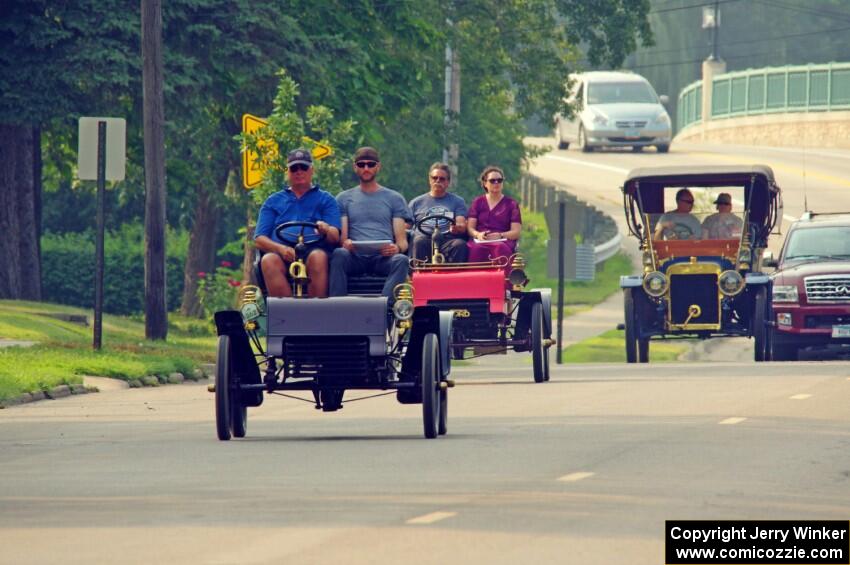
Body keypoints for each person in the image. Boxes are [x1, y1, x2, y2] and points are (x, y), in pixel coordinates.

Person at [254, 149, 341, 298]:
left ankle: (316, 313)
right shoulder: (273, 201)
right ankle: (286, 315)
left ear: (311, 170)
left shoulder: (327, 200)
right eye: (294, 168)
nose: (299, 172)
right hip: (282, 254)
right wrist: (281, 249)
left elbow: (335, 237)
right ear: (288, 172)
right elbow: (259, 239)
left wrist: (326, 229)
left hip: (315, 251)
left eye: (303, 167)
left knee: (318, 257)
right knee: (268, 260)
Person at [329, 147, 411, 299]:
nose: (366, 168)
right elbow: (343, 239)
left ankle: (384, 308)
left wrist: (396, 248)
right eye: (361, 164)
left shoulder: (394, 198)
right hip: (355, 258)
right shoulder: (343, 198)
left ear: (378, 167)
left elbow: (402, 242)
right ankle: (336, 306)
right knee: (339, 254)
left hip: (383, 258)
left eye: (370, 164)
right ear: (355, 168)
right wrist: (346, 244)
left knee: (401, 260)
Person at [409, 162, 469, 263]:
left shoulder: (457, 201)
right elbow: (406, 225)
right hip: (424, 238)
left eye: (442, 179)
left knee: (460, 245)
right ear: (429, 179)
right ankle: (418, 275)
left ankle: (454, 277)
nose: (437, 181)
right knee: (418, 241)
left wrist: (457, 227)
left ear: (448, 182)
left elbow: (461, 223)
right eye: (434, 178)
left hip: (447, 240)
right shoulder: (416, 202)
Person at [466, 165, 522, 272]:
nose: (496, 183)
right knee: (475, 249)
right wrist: (478, 234)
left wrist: (500, 235)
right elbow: (470, 228)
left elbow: (516, 232)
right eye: (492, 181)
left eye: (499, 180)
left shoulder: (511, 204)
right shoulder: (478, 202)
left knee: (500, 248)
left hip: (503, 241)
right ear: (485, 183)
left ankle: (505, 284)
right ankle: (474, 284)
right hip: (480, 240)